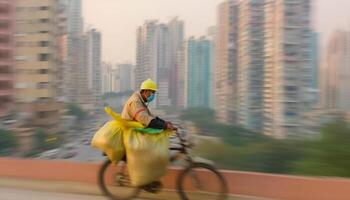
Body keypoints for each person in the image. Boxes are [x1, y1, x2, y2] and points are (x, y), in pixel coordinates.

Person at [120, 79, 175, 193]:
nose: (153, 95)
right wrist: (164, 126)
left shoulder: (141, 101)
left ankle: (148, 179)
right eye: (152, 92)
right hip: (131, 134)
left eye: (154, 93)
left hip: (137, 131)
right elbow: (146, 120)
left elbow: (151, 116)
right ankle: (144, 182)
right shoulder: (135, 102)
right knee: (149, 152)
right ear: (145, 92)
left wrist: (165, 123)